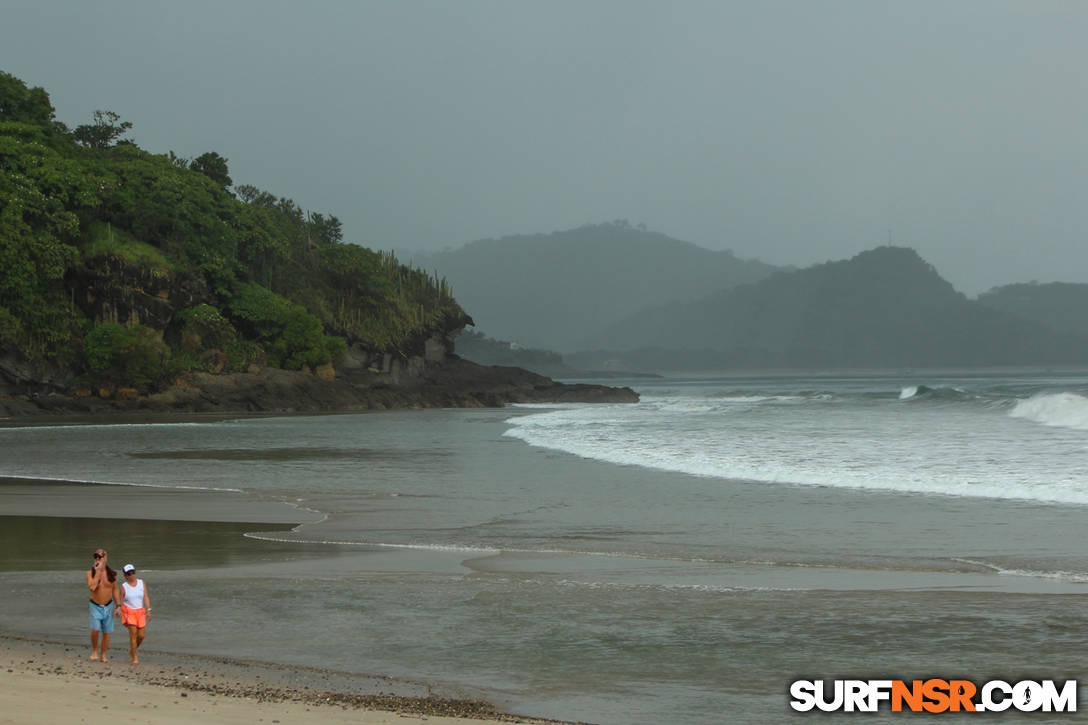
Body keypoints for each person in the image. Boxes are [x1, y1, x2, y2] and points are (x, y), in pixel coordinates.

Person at [85, 548, 117, 661]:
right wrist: (97, 572)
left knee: (107, 631)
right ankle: (94, 650)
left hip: (108, 605)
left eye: (100, 557)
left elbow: (115, 590)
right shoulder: (90, 573)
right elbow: (92, 587)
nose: (98, 559)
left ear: (105, 558)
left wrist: (119, 606)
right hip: (95, 605)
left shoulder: (111, 574)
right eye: (96, 557)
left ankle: (103, 654)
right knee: (95, 629)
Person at [117, 563, 151, 664]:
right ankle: (134, 657)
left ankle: (132, 650)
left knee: (141, 635)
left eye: (133, 572)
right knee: (133, 633)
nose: (131, 575)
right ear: (125, 575)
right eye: (129, 573)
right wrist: (118, 608)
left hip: (140, 611)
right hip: (129, 611)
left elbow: (145, 597)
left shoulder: (141, 583)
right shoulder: (124, 587)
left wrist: (149, 610)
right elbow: (120, 599)